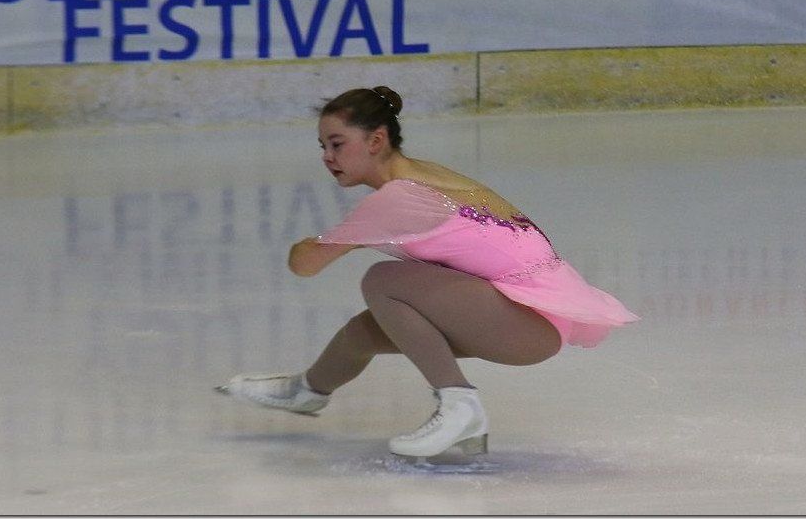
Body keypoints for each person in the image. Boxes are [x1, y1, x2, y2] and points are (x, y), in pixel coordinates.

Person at [217, 86, 639, 461]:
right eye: (323, 146)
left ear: (376, 140)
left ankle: (459, 405)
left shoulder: (398, 198)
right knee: (366, 331)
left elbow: (304, 264)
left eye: (337, 144)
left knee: (382, 281)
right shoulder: (421, 175)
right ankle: (307, 391)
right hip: (532, 317)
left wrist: (327, 240)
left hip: (527, 324)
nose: (328, 157)